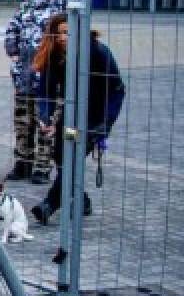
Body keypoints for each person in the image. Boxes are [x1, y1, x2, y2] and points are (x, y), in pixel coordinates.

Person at [29, 13, 124, 225]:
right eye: (58, 33)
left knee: (73, 156)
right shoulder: (54, 56)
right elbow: (45, 92)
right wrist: (46, 117)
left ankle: (49, 204)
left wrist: (106, 123)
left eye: (67, 32)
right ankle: (82, 200)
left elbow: (118, 90)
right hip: (70, 118)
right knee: (62, 157)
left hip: (95, 120)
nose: (63, 37)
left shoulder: (99, 52)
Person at [4, 0, 66, 184]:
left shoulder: (65, 8)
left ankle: (42, 166)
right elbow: (12, 28)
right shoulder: (27, 6)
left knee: (45, 122)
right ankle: (23, 162)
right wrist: (14, 53)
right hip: (24, 75)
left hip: (49, 79)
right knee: (22, 121)